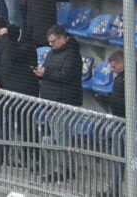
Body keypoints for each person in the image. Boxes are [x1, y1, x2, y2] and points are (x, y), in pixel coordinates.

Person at [34, 24, 83, 185]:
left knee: (63, 138)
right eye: (49, 42)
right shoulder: (51, 54)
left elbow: (66, 75)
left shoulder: (73, 55)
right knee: (58, 137)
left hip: (65, 102)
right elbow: (51, 72)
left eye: (53, 41)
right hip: (51, 102)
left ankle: (64, 170)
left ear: (63, 38)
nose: (51, 44)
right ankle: (61, 168)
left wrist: (46, 73)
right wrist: (41, 74)